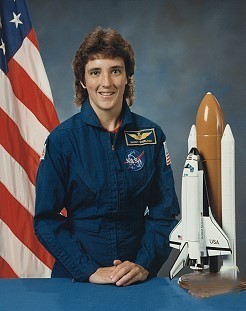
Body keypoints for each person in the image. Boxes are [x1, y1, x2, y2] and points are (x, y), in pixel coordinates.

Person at [34, 27, 180, 287]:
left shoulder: (152, 136)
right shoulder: (62, 141)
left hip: (137, 279)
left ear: (127, 77)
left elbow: (164, 213)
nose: (106, 83)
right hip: (76, 279)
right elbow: (46, 220)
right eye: (95, 72)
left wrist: (143, 264)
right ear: (82, 81)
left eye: (115, 70)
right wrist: (88, 270)